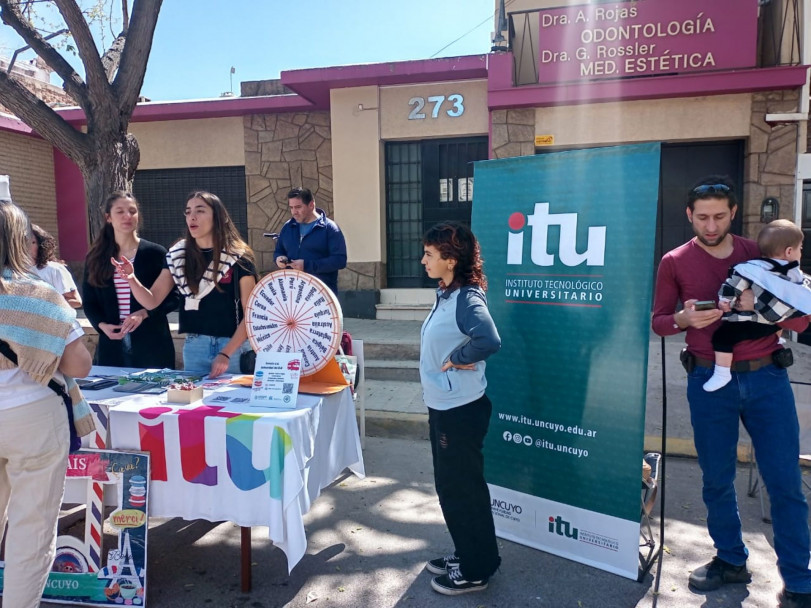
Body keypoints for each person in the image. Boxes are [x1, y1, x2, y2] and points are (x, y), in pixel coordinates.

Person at [652, 176, 811, 608]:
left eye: (719, 216)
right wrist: (684, 321)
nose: (709, 225)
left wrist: (759, 308)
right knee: (716, 479)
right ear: (688, 215)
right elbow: (659, 322)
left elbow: (800, 320)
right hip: (708, 380)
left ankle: (799, 579)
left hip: (766, 378)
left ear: (734, 213)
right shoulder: (674, 261)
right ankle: (730, 559)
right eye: (701, 217)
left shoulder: (759, 252)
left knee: (784, 481)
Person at [0, 201, 93, 608]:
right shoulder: (36, 293)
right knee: (30, 534)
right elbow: (79, 364)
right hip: (31, 415)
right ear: (19, 241)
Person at [419, 221, 501, 596]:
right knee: (457, 486)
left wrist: (459, 356)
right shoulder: (447, 294)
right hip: (447, 405)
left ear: (450, 260)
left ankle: (475, 569)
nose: (423, 261)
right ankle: (472, 554)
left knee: (459, 489)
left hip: (459, 409)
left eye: (430, 255)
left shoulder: (467, 297)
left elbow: (488, 338)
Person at [113, 191, 257, 378]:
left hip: (232, 348)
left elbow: (251, 314)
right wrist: (131, 279)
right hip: (194, 345)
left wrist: (226, 353)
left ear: (218, 216)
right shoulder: (178, 255)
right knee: (193, 405)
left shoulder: (239, 257)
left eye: (200, 210)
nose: (192, 217)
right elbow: (152, 301)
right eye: (188, 212)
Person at [704, 219, 811, 391]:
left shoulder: (752, 269)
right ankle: (778, 336)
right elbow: (802, 297)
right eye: (800, 248)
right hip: (771, 326)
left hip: (750, 323)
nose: (801, 252)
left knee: (721, 337)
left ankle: (722, 372)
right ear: (789, 251)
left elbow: (733, 285)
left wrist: (726, 301)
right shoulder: (796, 275)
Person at [83, 192, 179, 369]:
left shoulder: (155, 253)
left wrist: (144, 313)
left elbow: (175, 298)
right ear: (108, 217)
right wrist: (101, 325)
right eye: (120, 211)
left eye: (132, 211)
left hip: (152, 341)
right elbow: (89, 301)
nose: (127, 216)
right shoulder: (97, 257)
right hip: (112, 343)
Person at [274, 186, 347, 294]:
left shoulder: (330, 228)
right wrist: (278, 258)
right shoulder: (288, 227)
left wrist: (307, 265)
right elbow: (279, 251)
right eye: (291, 207)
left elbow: (340, 260)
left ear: (311, 205)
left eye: (298, 207)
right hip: (293, 295)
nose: (294, 212)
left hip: (321, 295)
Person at [29, 224, 82, 308]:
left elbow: (77, 301)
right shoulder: (14, 271)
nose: (26, 246)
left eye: (32, 242)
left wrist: (45, 303)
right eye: (22, 242)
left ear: (41, 245)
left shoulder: (55, 269)